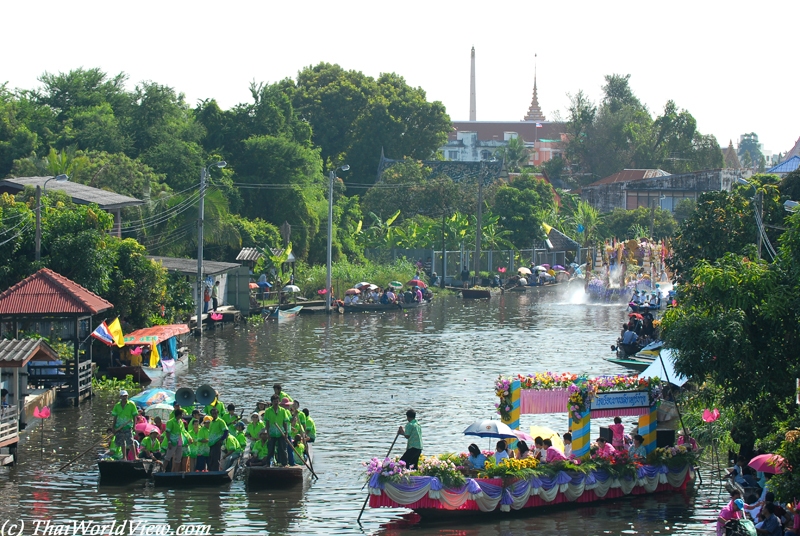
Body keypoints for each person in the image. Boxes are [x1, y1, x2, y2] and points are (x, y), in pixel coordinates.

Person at [111, 390, 138, 461]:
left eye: (125, 396)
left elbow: (134, 415)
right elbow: (115, 417)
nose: (124, 398)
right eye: (123, 396)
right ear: (120, 397)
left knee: (130, 441)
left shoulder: (131, 404)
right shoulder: (117, 406)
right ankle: (124, 457)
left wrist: (134, 425)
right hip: (119, 427)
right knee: (122, 442)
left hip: (128, 425)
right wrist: (113, 427)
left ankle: (135, 457)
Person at [264, 395, 291, 466]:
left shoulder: (282, 411)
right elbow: (267, 423)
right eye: (274, 401)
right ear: (272, 402)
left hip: (280, 432)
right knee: (270, 449)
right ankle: (268, 464)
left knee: (283, 448)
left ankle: (284, 464)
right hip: (272, 432)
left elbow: (285, 422)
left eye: (277, 401)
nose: (276, 403)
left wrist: (286, 433)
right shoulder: (268, 411)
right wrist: (268, 434)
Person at [164, 408, 186, 472]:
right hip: (172, 441)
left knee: (178, 458)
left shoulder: (181, 421)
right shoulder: (171, 422)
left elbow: (183, 431)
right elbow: (167, 432)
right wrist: (169, 442)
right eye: (182, 414)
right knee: (168, 457)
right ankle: (162, 469)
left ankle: (176, 472)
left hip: (179, 441)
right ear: (179, 415)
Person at [207, 407, 228, 471]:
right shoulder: (211, 422)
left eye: (215, 414)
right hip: (211, 443)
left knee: (216, 458)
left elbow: (226, 431)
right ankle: (211, 470)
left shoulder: (220, 421)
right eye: (213, 414)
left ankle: (215, 471)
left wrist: (221, 439)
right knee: (211, 458)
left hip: (217, 442)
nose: (214, 415)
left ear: (218, 414)